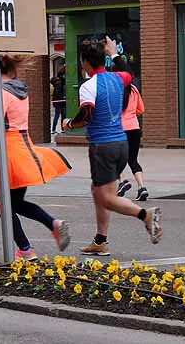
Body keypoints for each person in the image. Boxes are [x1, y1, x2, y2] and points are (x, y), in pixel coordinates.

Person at [0, 55, 72, 260]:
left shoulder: (0, 92)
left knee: (4, 206)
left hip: (8, 151)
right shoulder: (20, 89)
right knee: (17, 203)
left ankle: (26, 250)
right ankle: (52, 225)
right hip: (24, 147)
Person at [63, 38, 162, 255]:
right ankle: (100, 241)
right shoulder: (118, 79)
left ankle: (146, 215)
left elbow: (86, 114)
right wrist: (115, 53)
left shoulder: (89, 86)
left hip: (102, 146)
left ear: (85, 63)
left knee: (105, 197)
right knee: (98, 190)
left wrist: (70, 123)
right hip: (121, 143)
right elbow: (129, 73)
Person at [115, 78, 148, 202]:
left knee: (114, 158)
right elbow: (141, 109)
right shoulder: (134, 89)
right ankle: (142, 187)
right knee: (133, 159)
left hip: (119, 129)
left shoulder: (115, 90)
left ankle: (122, 181)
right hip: (134, 128)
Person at [50, 67, 66, 136]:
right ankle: (54, 129)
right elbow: (58, 93)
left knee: (61, 114)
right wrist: (62, 98)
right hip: (59, 101)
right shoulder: (60, 82)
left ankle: (58, 129)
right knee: (59, 115)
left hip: (57, 101)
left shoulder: (58, 81)